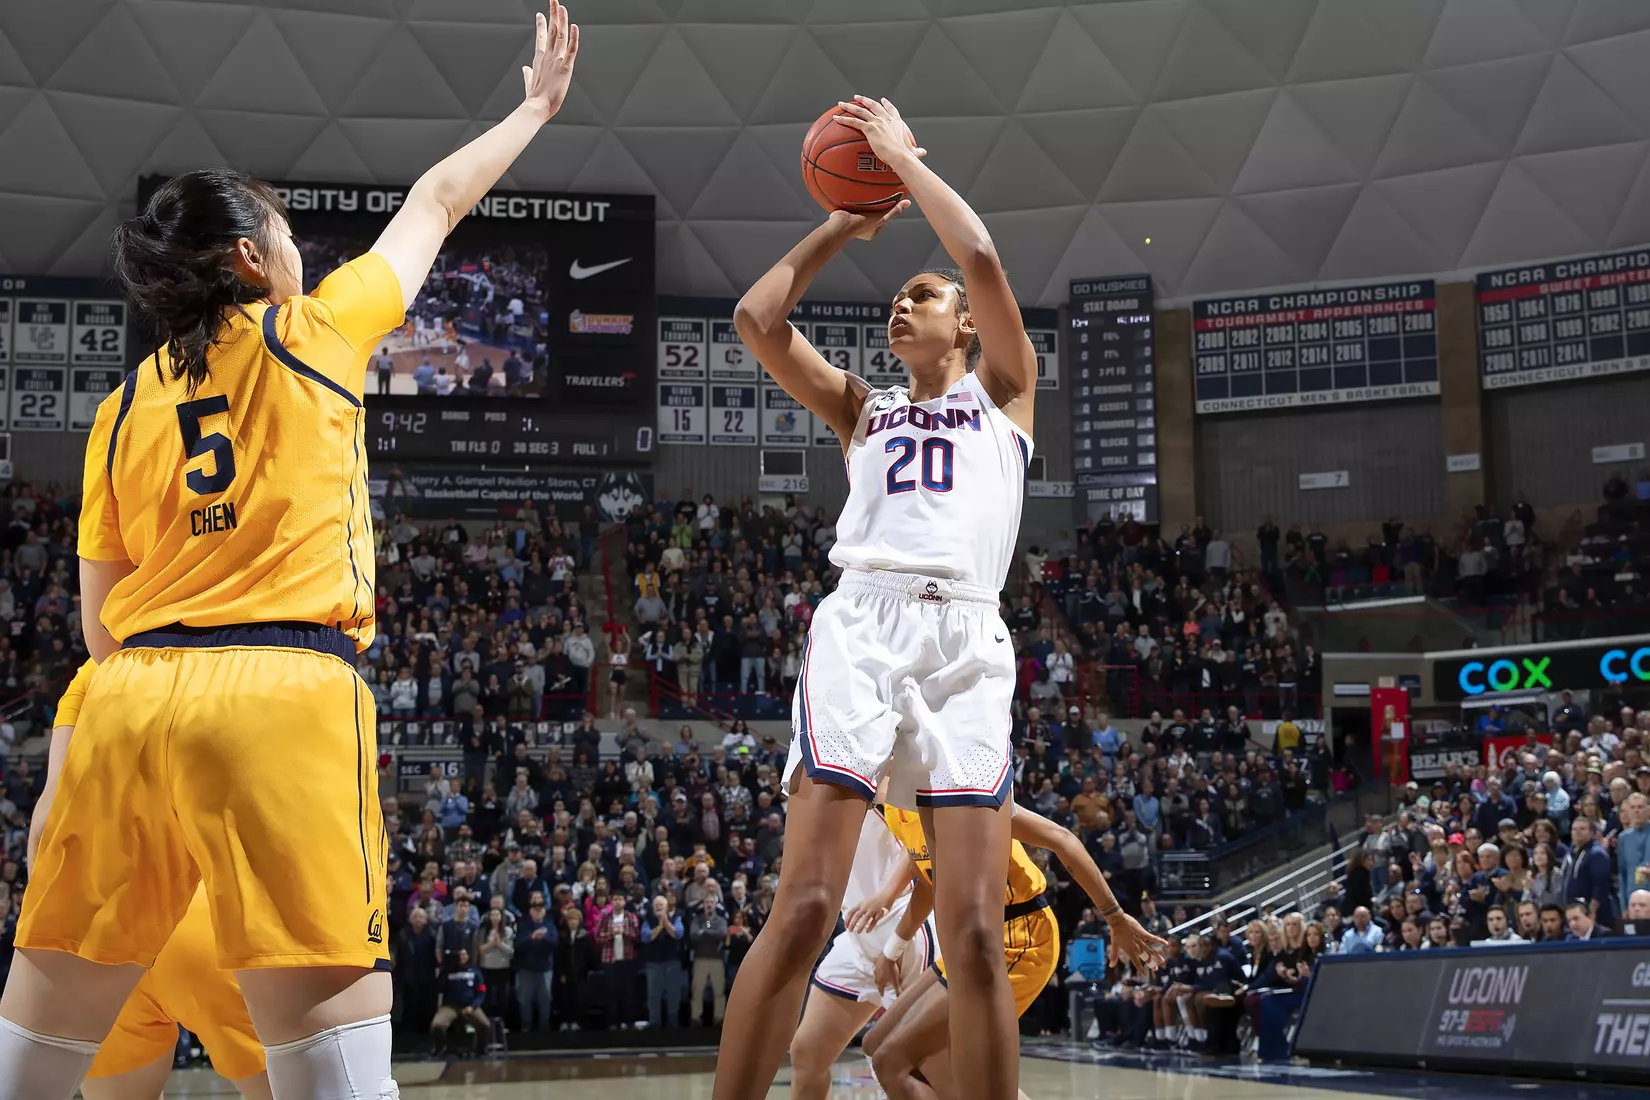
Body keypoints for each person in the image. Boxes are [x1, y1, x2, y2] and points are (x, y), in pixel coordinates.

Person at [0, 10, 581, 1099]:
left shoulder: (118, 410)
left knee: (31, 1076)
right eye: (283, 229)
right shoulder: (311, 330)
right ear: (248, 257)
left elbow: (96, 622)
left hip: (124, 703)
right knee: (337, 1083)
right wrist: (535, 107)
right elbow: (437, 203)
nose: (298, 248)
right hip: (281, 694)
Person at [714, 95, 1046, 1100]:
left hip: (966, 639)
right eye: (896, 299)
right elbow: (757, 321)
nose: (901, 308)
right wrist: (840, 224)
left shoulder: (1008, 392)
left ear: (961, 325)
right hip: (866, 622)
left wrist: (900, 161)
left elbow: (981, 257)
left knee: (980, 935)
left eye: (920, 295)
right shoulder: (867, 411)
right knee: (808, 900)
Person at [31, 661, 270, 1100]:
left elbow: (48, 820)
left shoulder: (95, 673)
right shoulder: (247, 650)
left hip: (96, 932)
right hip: (207, 923)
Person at [864, 804, 1164, 1098]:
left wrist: (1115, 917)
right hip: (971, 939)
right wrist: (893, 949)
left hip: (1022, 936)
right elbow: (930, 883)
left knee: (893, 1061)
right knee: (877, 1044)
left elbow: (1062, 838)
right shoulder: (896, 809)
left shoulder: (961, 791)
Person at [788, 804, 938, 1100]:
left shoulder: (883, 772)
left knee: (923, 1068)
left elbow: (920, 844)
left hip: (902, 923)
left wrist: (885, 895)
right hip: (857, 934)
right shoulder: (810, 778)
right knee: (808, 1052)